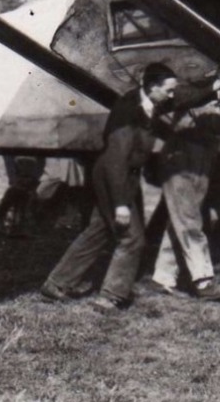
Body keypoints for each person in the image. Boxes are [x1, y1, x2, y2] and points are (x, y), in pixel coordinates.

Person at [41, 62, 180, 311]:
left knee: (99, 231)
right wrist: (121, 205)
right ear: (152, 87)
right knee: (132, 238)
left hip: (121, 175)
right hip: (113, 176)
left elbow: (174, 109)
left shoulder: (149, 102)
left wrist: (215, 87)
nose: (172, 96)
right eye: (168, 91)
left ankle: (56, 284)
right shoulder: (128, 112)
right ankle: (110, 296)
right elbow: (117, 161)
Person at [147, 83, 220, 300]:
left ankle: (162, 277)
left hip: (199, 160)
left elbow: (218, 123)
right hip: (182, 160)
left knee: (180, 220)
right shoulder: (190, 92)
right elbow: (212, 121)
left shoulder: (204, 96)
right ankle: (203, 281)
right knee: (189, 221)